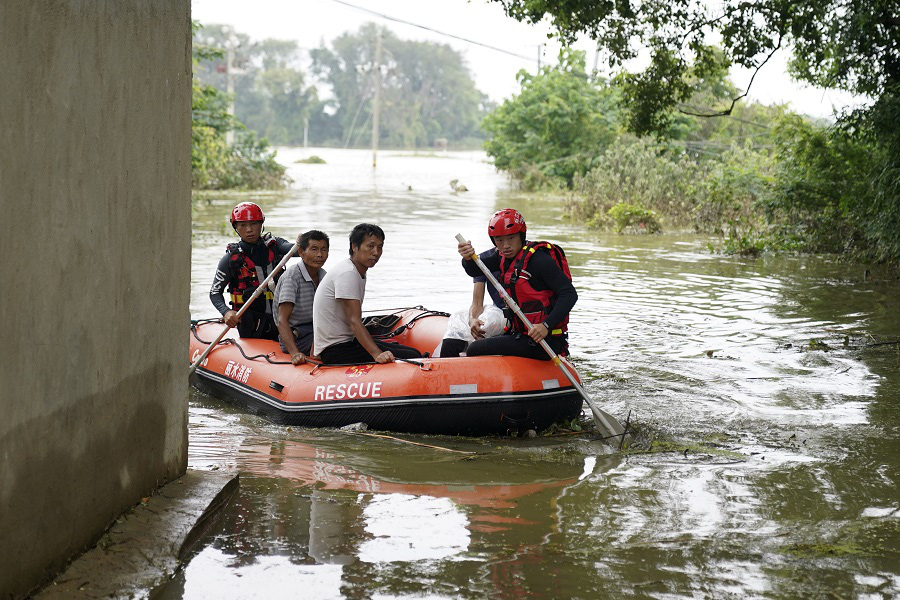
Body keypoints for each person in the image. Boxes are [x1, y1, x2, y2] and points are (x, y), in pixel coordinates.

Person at [456, 209, 577, 360]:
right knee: (475, 341)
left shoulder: (539, 260)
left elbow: (569, 294)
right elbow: (474, 269)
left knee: (475, 348)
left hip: (546, 340)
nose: (506, 245)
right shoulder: (500, 257)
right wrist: (467, 258)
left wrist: (546, 325)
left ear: (521, 236)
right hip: (522, 334)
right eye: (499, 240)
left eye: (511, 238)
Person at [312, 224, 422, 365]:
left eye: (380, 247)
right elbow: (354, 321)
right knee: (412, 356)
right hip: (337, 349)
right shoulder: (347, 273)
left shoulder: (356, 270)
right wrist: (377, 354)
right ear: (354, 247)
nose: (376, 252)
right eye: (370, 246)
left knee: (412, 353)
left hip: (347, 341)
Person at [209, 202, 294, 340]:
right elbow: (214, 293)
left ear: (261, 224)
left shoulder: (276, 246)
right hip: (250, 322)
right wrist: (226, 312)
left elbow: (296, 250)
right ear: (235, 227)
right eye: (243, 225)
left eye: (254, 223)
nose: (249, 229)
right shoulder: (230, 259)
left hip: (280, 318)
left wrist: (302, 243)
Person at [436, 247, 506, 358]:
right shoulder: (482, 259)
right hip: (497, 309)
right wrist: (473, 319)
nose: (505, 245)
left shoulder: (529, 255)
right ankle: (446, 364)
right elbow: (477, 303)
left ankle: (474, 353)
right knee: (457, 318)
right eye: (500, 239)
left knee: (486, 325)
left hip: (513, 314)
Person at [274, 230, 330, 365]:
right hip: (298, 336)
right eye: (314, 249)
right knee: (336, 347)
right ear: (301, 252)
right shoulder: (292, 277)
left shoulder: (324, 276)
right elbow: (282, 320)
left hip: (317, 331)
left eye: (324, 250)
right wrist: (294, 353)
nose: (319, 255)